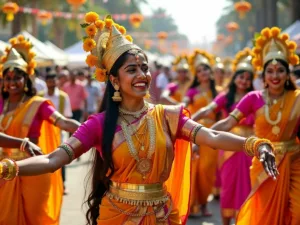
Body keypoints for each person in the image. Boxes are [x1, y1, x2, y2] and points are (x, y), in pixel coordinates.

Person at [0, 13, 277, 225]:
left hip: (161, 214)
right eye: (131, 69)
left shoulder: (169, 116)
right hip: (116, 215)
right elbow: (53, 160)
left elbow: (213, 137)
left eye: (144, 68)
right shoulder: (99, 124)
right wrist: (9, 167)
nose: (142, 75)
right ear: (114, 80)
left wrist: (255, 145)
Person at [210, 27, 300, 225]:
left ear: (287, 74)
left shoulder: (297, 98)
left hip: (294, 163)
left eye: (280, 70)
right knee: (265, 214)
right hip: (264, 162)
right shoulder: (253, 98)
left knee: (297, 212)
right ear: (263, 75)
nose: (275, 75)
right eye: (270, 71)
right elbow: (228, 122)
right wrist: (201, 136)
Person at [0, 35, 80, 225]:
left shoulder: (39, 104)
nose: (12, 82)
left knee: (35, 219)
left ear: (26, 79)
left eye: (17, 77)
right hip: (5, 171)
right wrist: (21, 143)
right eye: (8, 78)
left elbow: (63, 123)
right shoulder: (1, 104)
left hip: (34, 172)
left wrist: (89, 131)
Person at [193, 48, 255, 225]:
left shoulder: (254, 98)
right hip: (228, 146)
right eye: (240, 77)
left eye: (247, 78)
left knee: (248, 187)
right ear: (235, 78)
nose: (243, 81)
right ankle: (226, 222)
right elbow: (207, 110)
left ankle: (244, 219)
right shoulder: (225, 97)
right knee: (228, 186)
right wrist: (187, 122)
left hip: (249, 148)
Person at [183, 49, 219, 216]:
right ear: (196, 75)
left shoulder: (218, 92)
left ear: (210, 72)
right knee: (194, 169)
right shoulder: (192, 92)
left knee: (207, 170)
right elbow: (184, 106)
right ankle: (190, 206)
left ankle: (204, 204)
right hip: (195, 132)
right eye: (199, 70)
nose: (203, 72)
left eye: (205, 69)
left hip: (213, 133)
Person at [38, 70, 73, 195]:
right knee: (43, 157)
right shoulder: (40, 96)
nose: (51, 84)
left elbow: (68, 116)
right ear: (46, 82)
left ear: (56, 82)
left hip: (59, 133)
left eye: (53, 81)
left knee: (61, 158)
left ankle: (62, 184)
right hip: (43, 134)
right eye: (48, 81)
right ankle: (45, 184)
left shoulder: (63, 97)